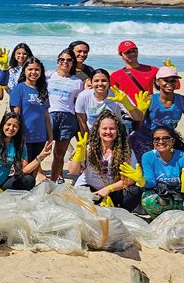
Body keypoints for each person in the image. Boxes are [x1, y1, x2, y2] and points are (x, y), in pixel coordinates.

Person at [122, 126, 184, 217]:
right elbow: (151, 183)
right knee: (148, 199)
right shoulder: (148, 157)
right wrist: (142, 180)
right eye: (157, 139)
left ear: (173, 141)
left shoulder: (183, 157)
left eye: (165, 138)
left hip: (182, 198)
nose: (161, 142)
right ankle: (157, 219)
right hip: (162, 198)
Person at [66, 110, 141, 211]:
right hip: (90, 189)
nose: (108, 132)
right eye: (104, 128)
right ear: (98, 130)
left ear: (117, 130)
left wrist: (109, 189)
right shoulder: (88, 148)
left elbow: (130, 179)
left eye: (112, 129)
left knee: (134, 191)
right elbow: (73, 171)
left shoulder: (127, 152)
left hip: (113, 190)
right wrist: (79, 154)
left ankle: (118, 210)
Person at [47, 48, 86, 182]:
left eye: (69, 60)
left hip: (67, 117)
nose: (65, 62)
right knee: (41, 150)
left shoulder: (77, 82)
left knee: (59, 154)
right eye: (62, 59)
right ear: (58, 62)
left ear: (73, 63)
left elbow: (77, 103)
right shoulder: (48, 76)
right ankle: (36, 175)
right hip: (50, 115)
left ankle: (53, 180)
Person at [0, 111, 40, 191]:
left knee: (29, 180)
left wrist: (40, 157)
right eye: (8, 124)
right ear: (3, 124)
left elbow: (25, 170)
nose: (11, 128)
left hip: (2, 184)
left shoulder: (19, 145)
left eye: (15, 126)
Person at [9, 57, 53, 168]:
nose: (33, 72)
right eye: (30, 69)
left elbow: (46, 116)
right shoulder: (19, 89)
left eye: (37, 69)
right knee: (24, 169)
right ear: (24, 71)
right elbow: (16, 115)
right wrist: (19, 135)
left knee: (35, 167)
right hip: (25, 137)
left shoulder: (42, 90)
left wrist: (50, 136)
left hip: (41, 136)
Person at [75, 67, 144, 133]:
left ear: (109, 82)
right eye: (96, 81)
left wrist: (127, 104)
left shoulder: (117, 94)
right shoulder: (83, 96)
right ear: (91, 83)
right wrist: (87, 139)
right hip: (94, 135)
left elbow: (138, 118)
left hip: (115, 134)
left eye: (104, 81)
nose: (100, 84)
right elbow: (82, 121)